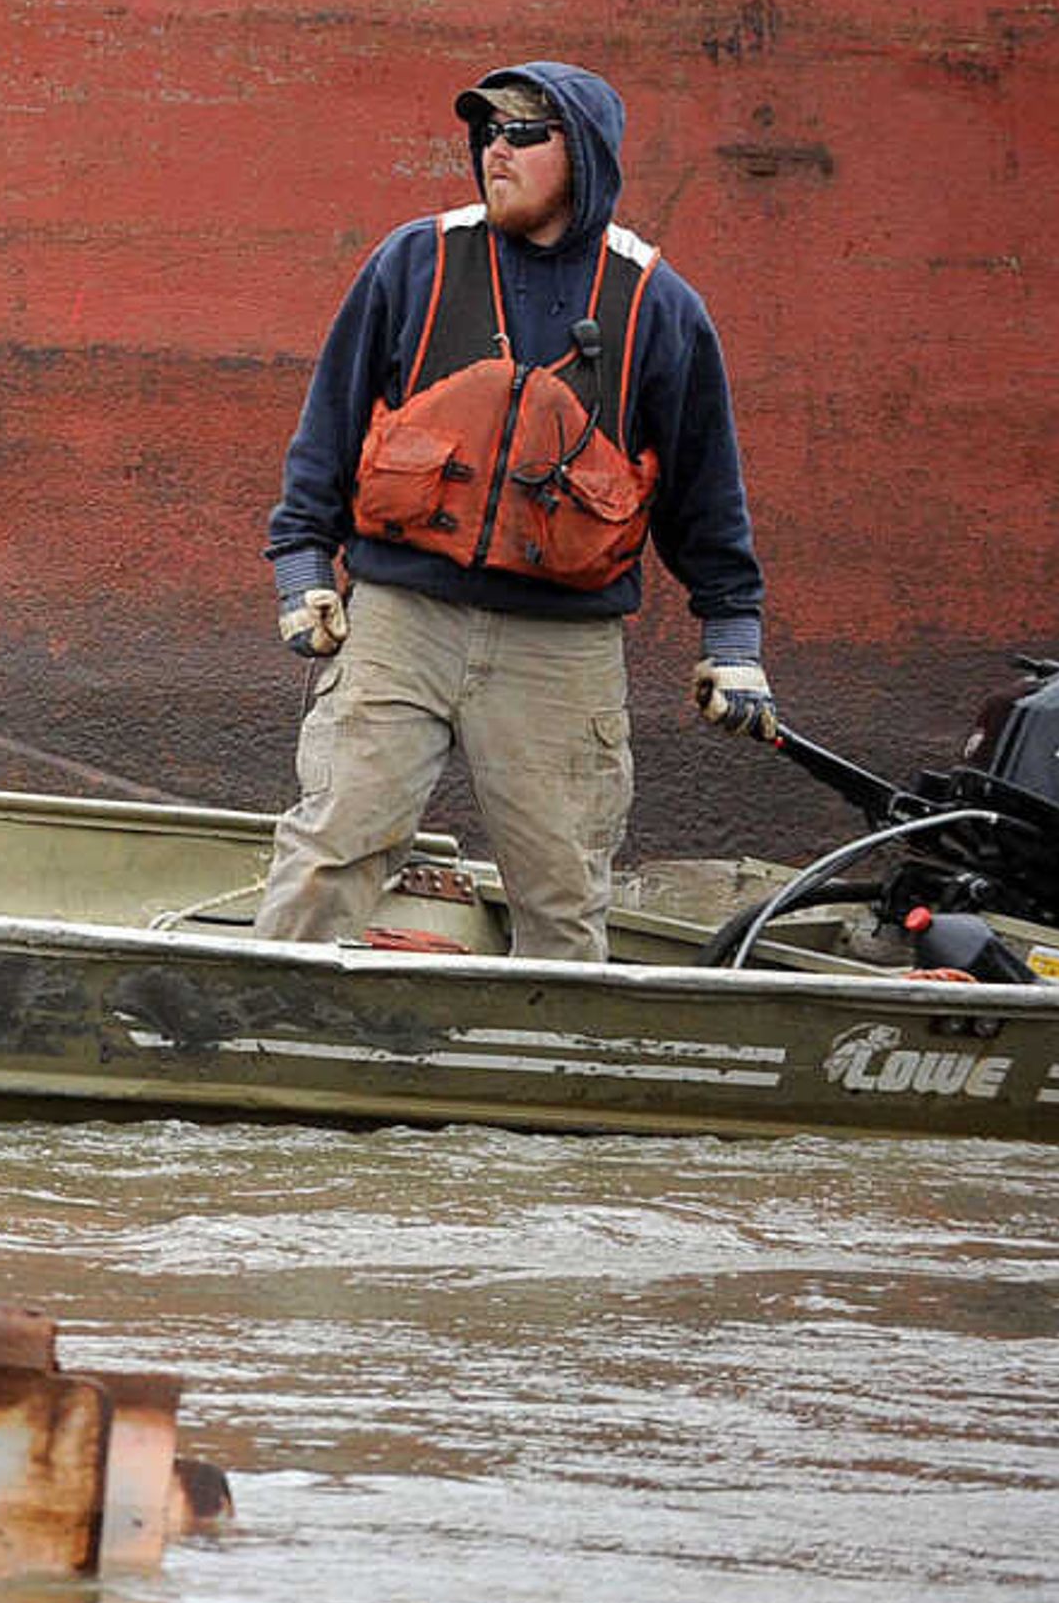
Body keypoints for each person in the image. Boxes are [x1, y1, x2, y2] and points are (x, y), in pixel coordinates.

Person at [256, 59, 773, 960]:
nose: (497, 149)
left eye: (525, 133)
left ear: (586, 155)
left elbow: (706, 489)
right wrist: (302, 570)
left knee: (564, 892)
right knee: (329, 850)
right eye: (487, 132)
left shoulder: (661, 306)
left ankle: (550, 1078)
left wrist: (733, 644)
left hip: (560, 647)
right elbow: (328, 430)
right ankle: (262, 1033)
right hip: (400, 620)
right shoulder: (411, 263)